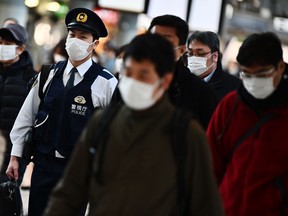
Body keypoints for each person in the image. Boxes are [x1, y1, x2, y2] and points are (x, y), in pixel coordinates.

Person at [44, 33, 224, 216]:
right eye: (129, 73)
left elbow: (206, 205)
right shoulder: (103, 123)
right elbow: (70, 191)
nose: (133, 82)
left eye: (144, 75)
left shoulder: (187, 134)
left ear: (166, 80)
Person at [6, 7, 118, 216]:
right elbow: (27, 116)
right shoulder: (49, 74)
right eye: (72, 35)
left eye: (83, 37)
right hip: (43, 165)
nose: (75, 40)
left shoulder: (106, 83)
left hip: (78, 171)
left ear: (94, 44)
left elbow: (115, 132)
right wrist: (15, 155)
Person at [206, 32, 288, 216]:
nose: (254, 82)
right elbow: (210, 166)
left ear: (280, 67)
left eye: (261, 74)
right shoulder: (230, 106)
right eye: (247, 74)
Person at [148, 15, 218, 129]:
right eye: (153, 38)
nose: (156, 45)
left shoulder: (201, 93)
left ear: (181, 50)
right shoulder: (130, 80)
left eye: (166, 41)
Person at [0, 23, 36, 183]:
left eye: (7, 44)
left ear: (20, 49)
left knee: (6, 199)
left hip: (13, 151)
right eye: (0, 42)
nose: (2, 47)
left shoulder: (31, 78)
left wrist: (20, 154)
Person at [187, 31, 241, 102]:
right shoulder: (181, 81)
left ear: (215, 56)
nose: (194, 58)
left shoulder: (234, 87)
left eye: (200, 53)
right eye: (190, 53)